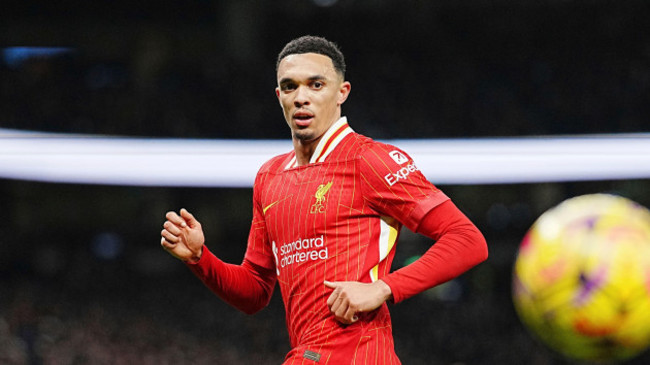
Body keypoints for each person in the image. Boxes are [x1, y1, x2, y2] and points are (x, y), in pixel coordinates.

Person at [161, 35, 488, 364]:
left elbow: (467, 239)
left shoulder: (370, 160)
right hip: (308, 355)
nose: (301, 97)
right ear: (279, 96)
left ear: (342, 92)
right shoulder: (269, 177)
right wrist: (200, 258)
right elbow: (255, 291)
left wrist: (382, 288)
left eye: (316, 85)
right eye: (290, 87)